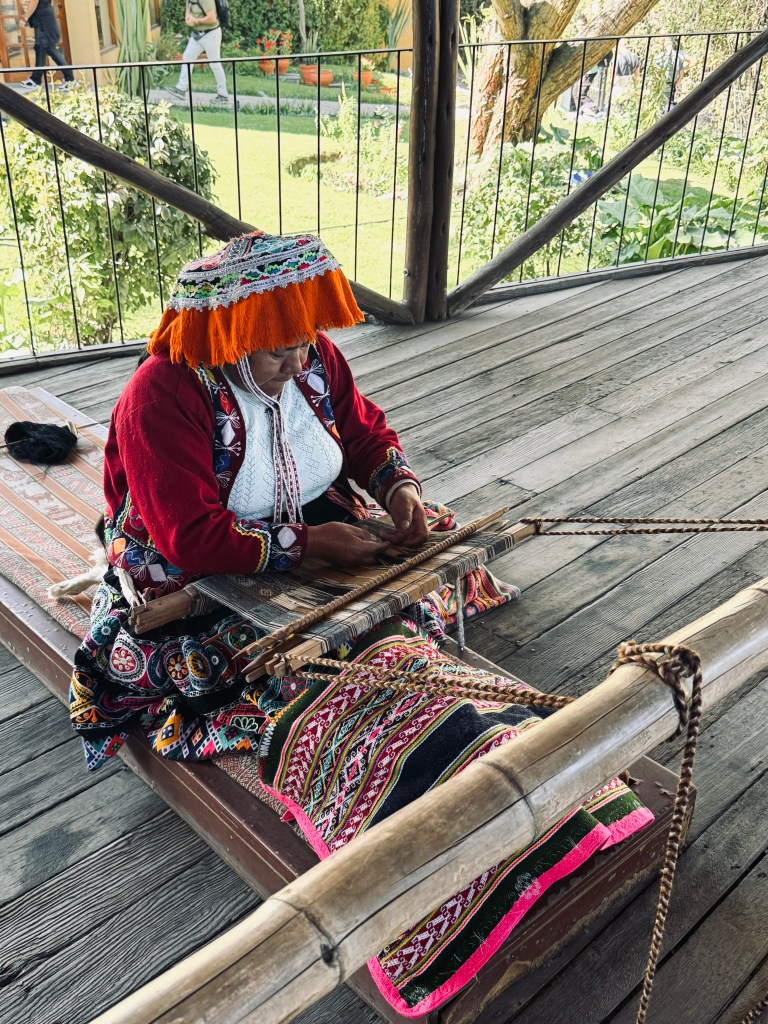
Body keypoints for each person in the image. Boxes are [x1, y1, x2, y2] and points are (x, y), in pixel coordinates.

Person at [67, 229, 653, 1017]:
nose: (298, 361)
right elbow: (188, 537)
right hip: (198, 566)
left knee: (428, 554)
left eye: (305, 342)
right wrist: (307, 544)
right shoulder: (161, 395)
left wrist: (396, 490)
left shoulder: (312, 361)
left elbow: (364, 431)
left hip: (306, 524)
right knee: (245, 669)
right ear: (228, 338)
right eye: (275, 351)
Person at [167, 0, 228, 105]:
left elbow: (212, 18)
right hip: (197, 35)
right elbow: (188, 12)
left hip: (211, 34)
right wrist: (188, 20)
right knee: (187, 58)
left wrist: (196, 21)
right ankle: (181, 90)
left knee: (215, 64)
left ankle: (223, 95)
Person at [18, 0, 76, 92]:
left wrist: (25, 18)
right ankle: (35, 80)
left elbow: (34, 1)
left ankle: (70, 80)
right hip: (44, 17)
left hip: (43, 20)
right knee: (40, 48)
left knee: (50, 48)